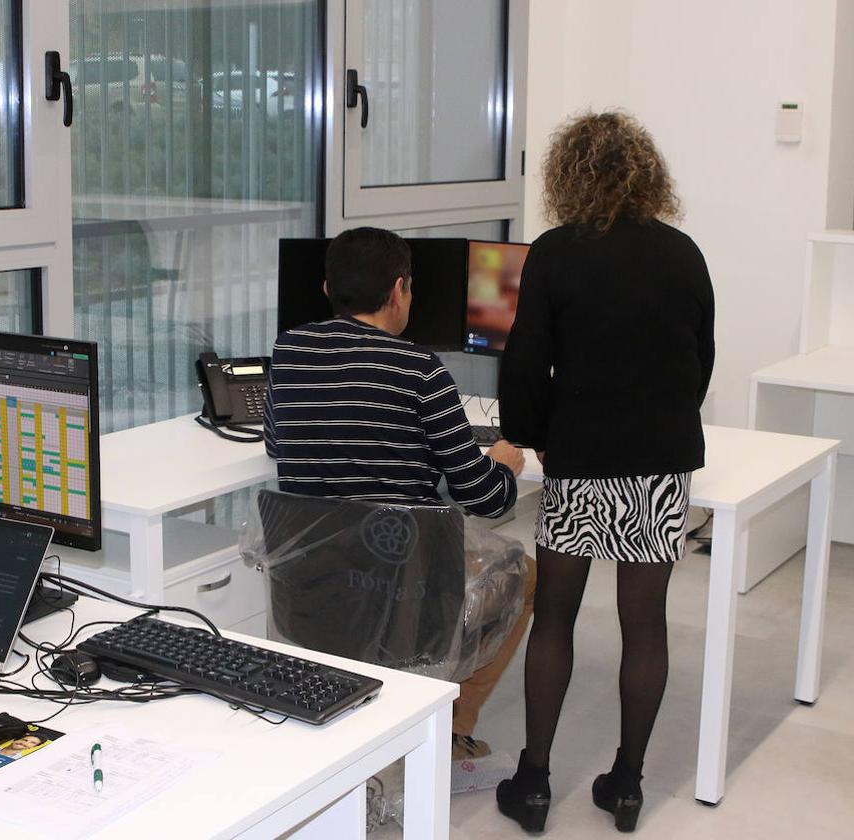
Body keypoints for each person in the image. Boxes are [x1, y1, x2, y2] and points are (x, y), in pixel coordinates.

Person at [495, 111, 715, 834]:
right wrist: (665, 423)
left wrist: (530, 435)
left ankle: (532, 784)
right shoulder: (683, 253)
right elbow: (700, 358)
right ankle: (626, 785)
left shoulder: (555, 252)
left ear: (567, 175)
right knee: (644, 625)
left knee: (553, 613)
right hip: (659, 459)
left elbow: (525, 359)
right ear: (645, 172)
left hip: (581, 457)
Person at [263, 226, 536, 760]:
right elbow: (483, 498)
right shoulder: (420, 371)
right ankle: (452, 729)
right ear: (397, 291)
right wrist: (501, 462)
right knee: (526, 576)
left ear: (325, 290)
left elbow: (276, 442)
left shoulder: (289, 351)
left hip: (311, 589)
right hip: (403, 594)